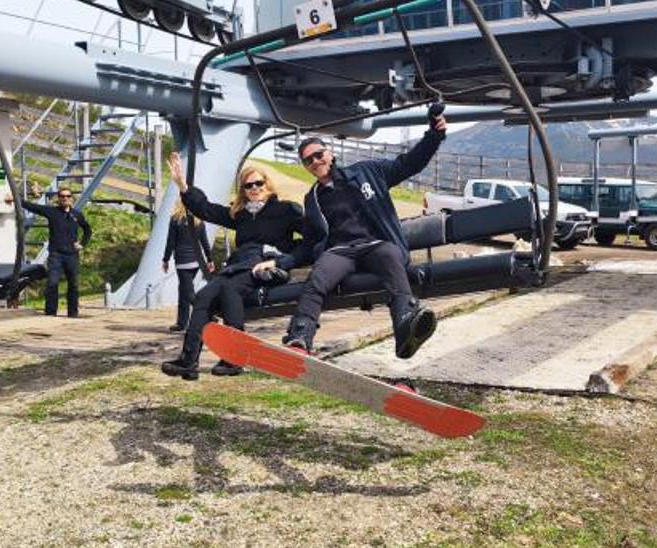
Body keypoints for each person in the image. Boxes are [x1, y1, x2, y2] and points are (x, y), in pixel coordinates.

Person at [254, 108, 447, 364]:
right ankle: (300, 338)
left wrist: (434, 135)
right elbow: (310, 244)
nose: (315, 162)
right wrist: (281, 262)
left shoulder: (368, 172)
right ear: (306, 167)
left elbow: (409, 164)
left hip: (376, 245)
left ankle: (405, 325)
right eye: (308, 160)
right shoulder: (312, 200)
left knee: (390, 257)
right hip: (341, 252)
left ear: (330, 153)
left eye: (319, 154)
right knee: (318, 277)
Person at [160, 153, 303, 380]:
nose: (254, 188)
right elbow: (207, 209)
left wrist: (282, 258)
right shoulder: (241, 215)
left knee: (229, 289)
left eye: (258, 183)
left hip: (265, 267)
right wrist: (184, 187)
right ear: (243, 190)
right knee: (203, 296)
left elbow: (312, 238)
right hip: (239, 266)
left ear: (267, 184)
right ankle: (188, 360)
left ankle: (235, 358)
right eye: (248, 186)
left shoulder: (286, 210)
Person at [23, 189, 91, 317]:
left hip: (72, 255)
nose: (65, 198)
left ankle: (72, 313)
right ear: (58, 198)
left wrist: (82, 243)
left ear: (71, 198)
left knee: (73, 284)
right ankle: (50, 313)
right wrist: (16, 200)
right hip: (56, 255)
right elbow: (34, 207)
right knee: (52, 283)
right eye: (62, 196)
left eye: (68, 196)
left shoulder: (77, 215)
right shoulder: (52, 212)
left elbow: (87, 230)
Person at [162, 197, 214, 332]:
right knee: (183, 290)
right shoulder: (198, 221)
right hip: (196, 262)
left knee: (188, 293)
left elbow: (170, 242)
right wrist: (209, 260)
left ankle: (209, 313)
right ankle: (181, 323)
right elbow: (204, 242)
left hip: (182, 262)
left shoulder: (175, 220)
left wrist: (165, 260)